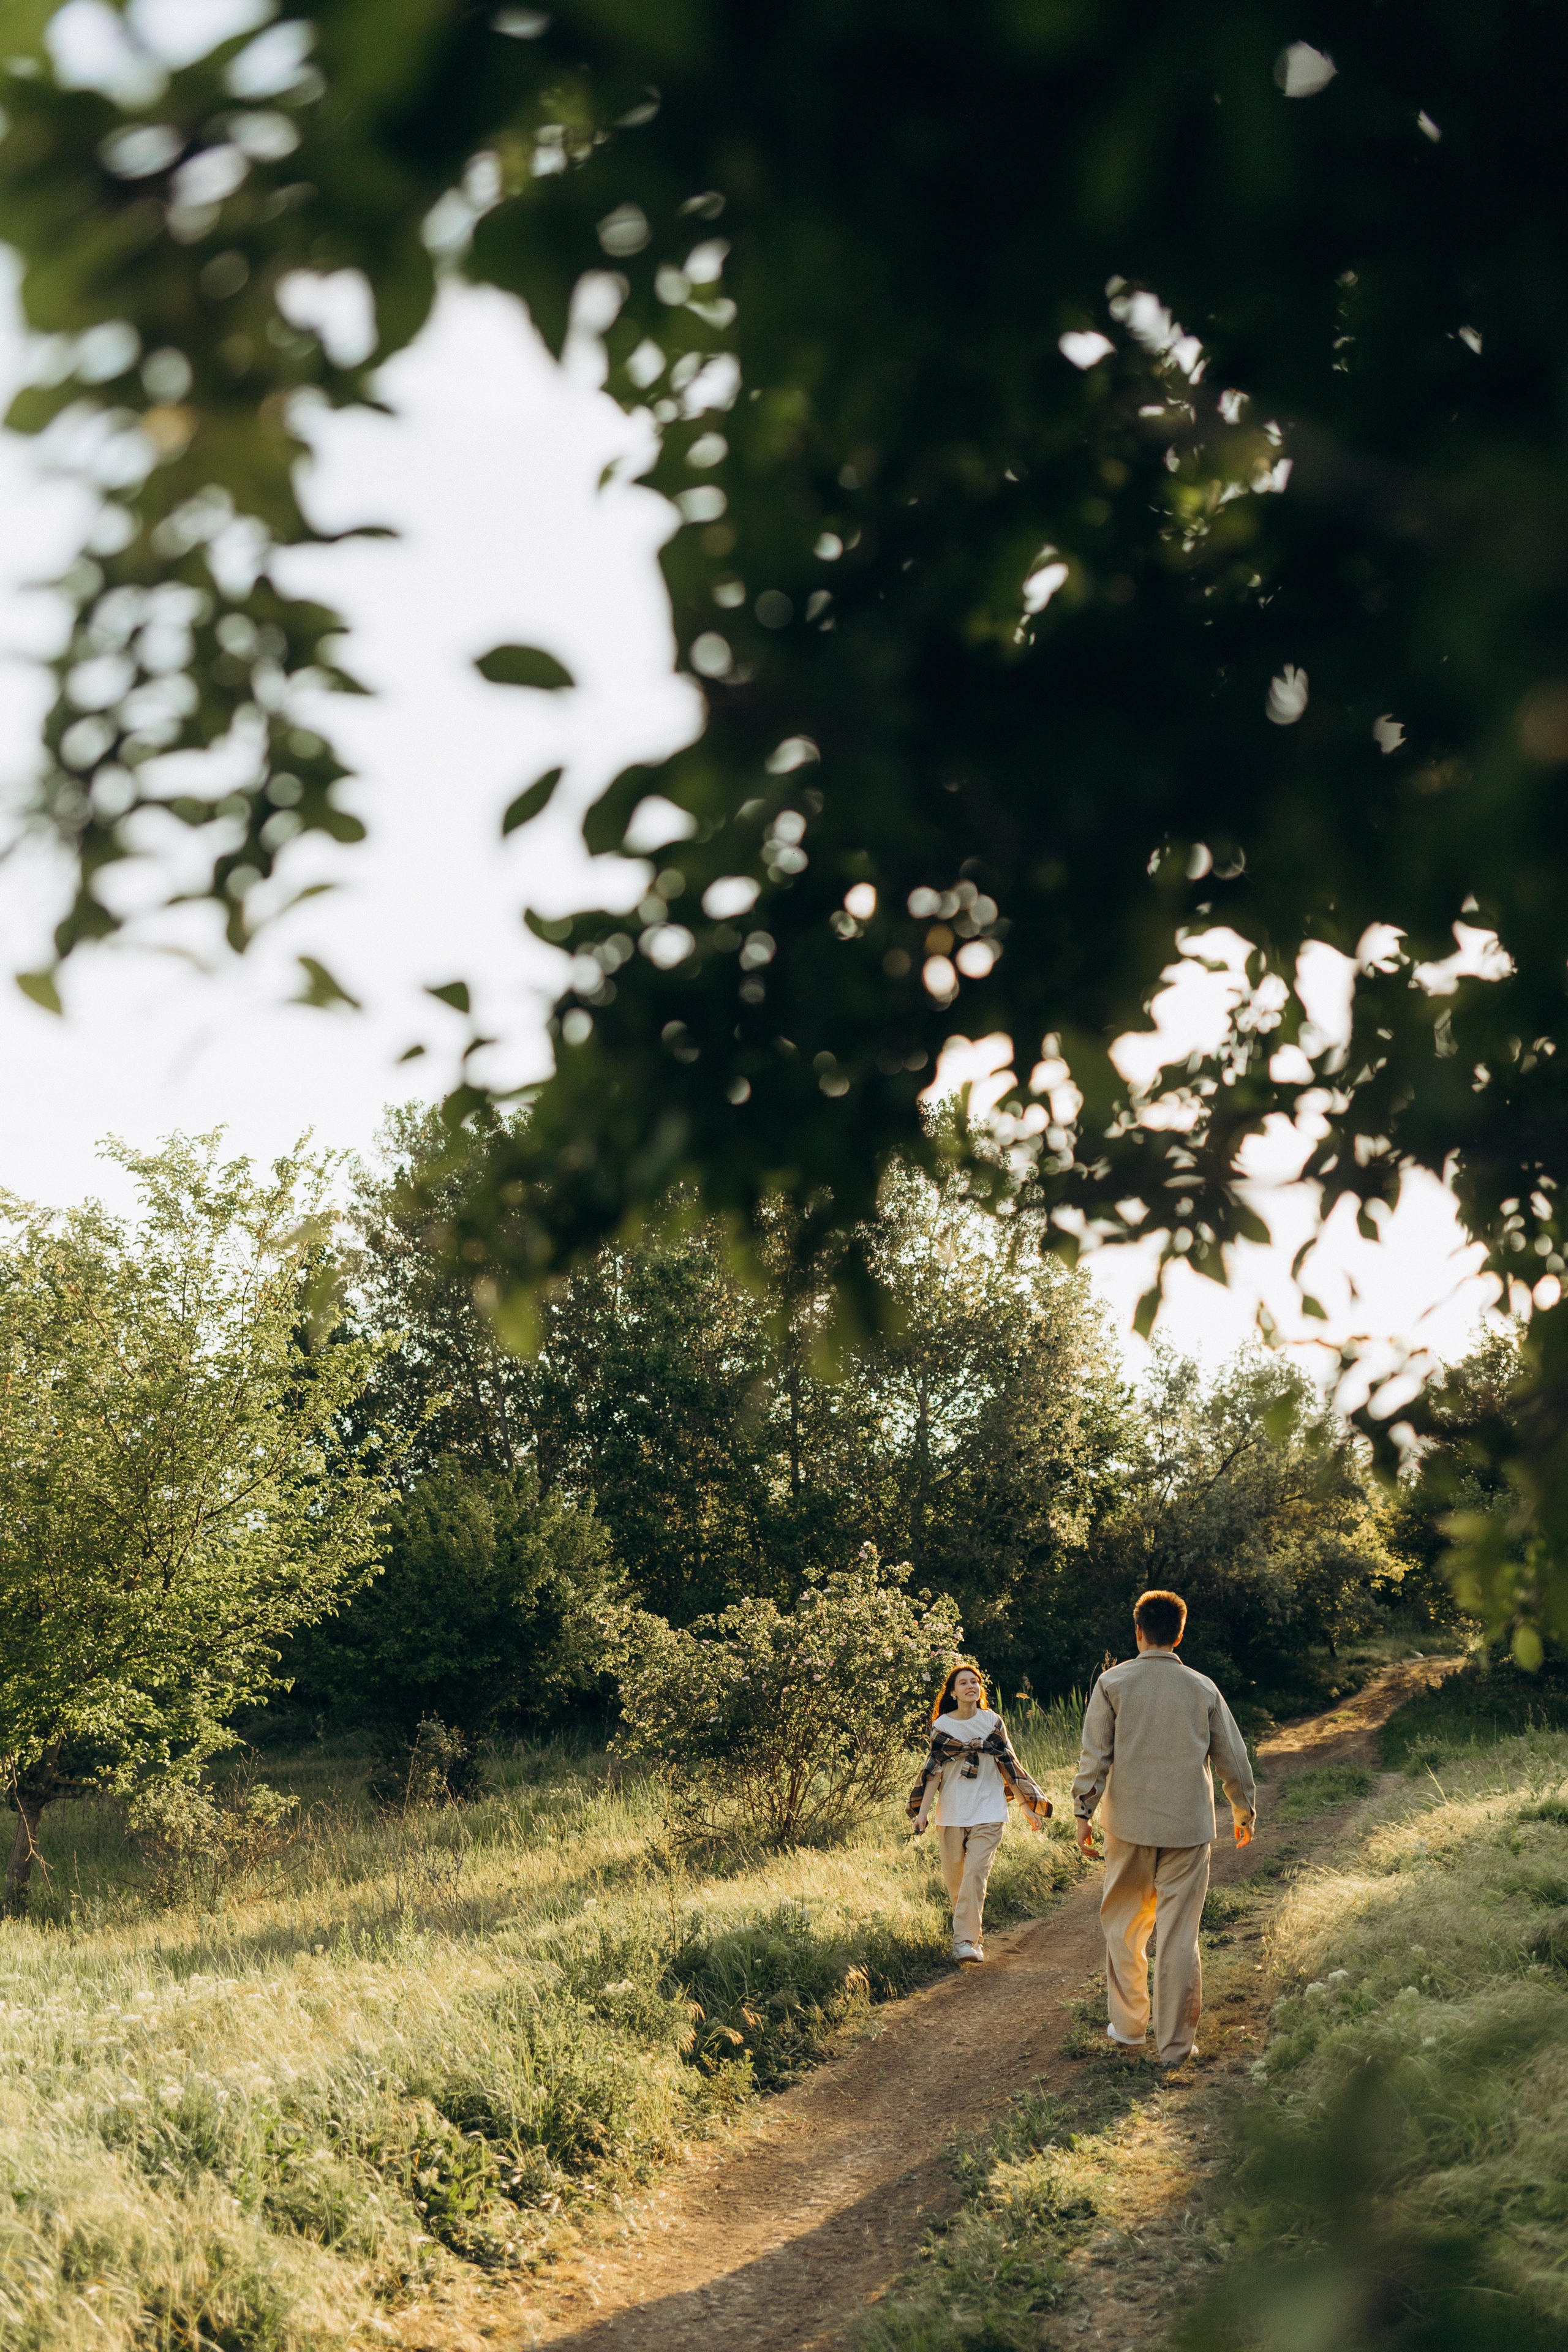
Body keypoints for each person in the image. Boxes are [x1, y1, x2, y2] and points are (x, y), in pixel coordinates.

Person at [1070, 1588, 1256, 2068]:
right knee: (1179, 1937)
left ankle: (1129, 2029)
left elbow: (1096, 1754)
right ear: (1180, 1633)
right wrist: (1242, 1809)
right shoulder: (1202, 1687)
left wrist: (1082, 1812)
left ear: (1138, 1632)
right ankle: (1175, 2047)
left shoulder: (1113, 1683)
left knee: (1125, 1928)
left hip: (1127, 1826)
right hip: (1189, 1828)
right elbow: (1231, 1755)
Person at [908, 1664, 1051, 1964]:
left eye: (976, 1682)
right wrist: (922, 1812)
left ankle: (965, 1941)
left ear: (980, 1689)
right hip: (951, 1813)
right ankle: (972, 1936)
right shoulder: (942, 1726)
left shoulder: (992, 1722)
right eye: (964, 1683)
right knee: (957, 1883)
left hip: (989, 1810)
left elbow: (1008, 1765)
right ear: (953, 1692)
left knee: (975, 1875)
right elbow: (933, 1773)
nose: (971, 1686)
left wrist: (1025, 1806)